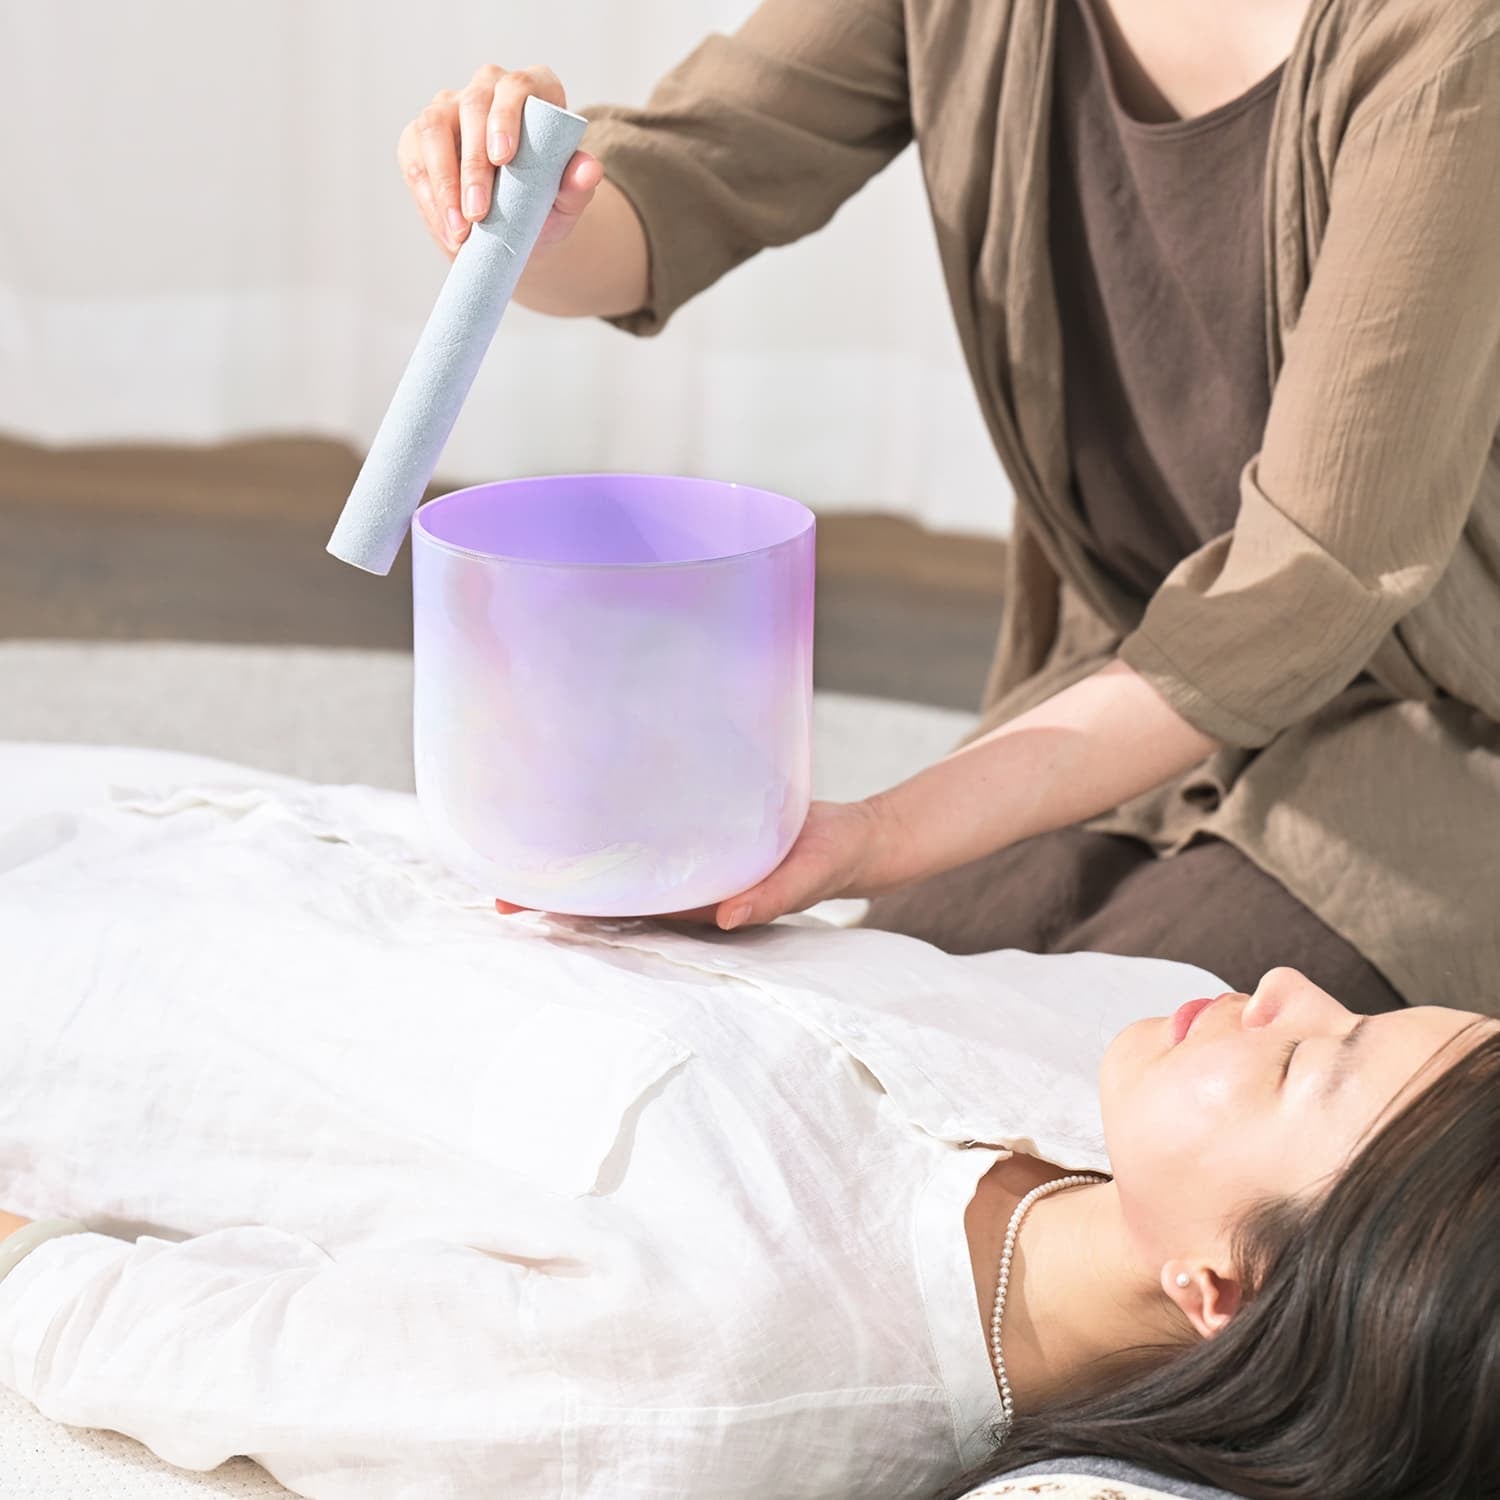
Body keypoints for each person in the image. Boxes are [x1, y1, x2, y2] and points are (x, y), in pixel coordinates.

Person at [394, 0, 1500, 1020]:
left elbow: (1311, 575)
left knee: (1095, 1087)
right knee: (837, 1039)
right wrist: (524, 201)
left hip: (1437, 724)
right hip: (1113, 683)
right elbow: (681, 180)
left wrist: (880, 835)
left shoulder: (1451, 40)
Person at [0, 757, 1495, 1500]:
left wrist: (27, 1270)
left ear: (1221, 1291)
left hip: (58, 993)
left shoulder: (732, 1369)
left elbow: (245, 1361)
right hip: (204, 817)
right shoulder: (1133, 1022)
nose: (1296, 985)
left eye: (1321, 1062)